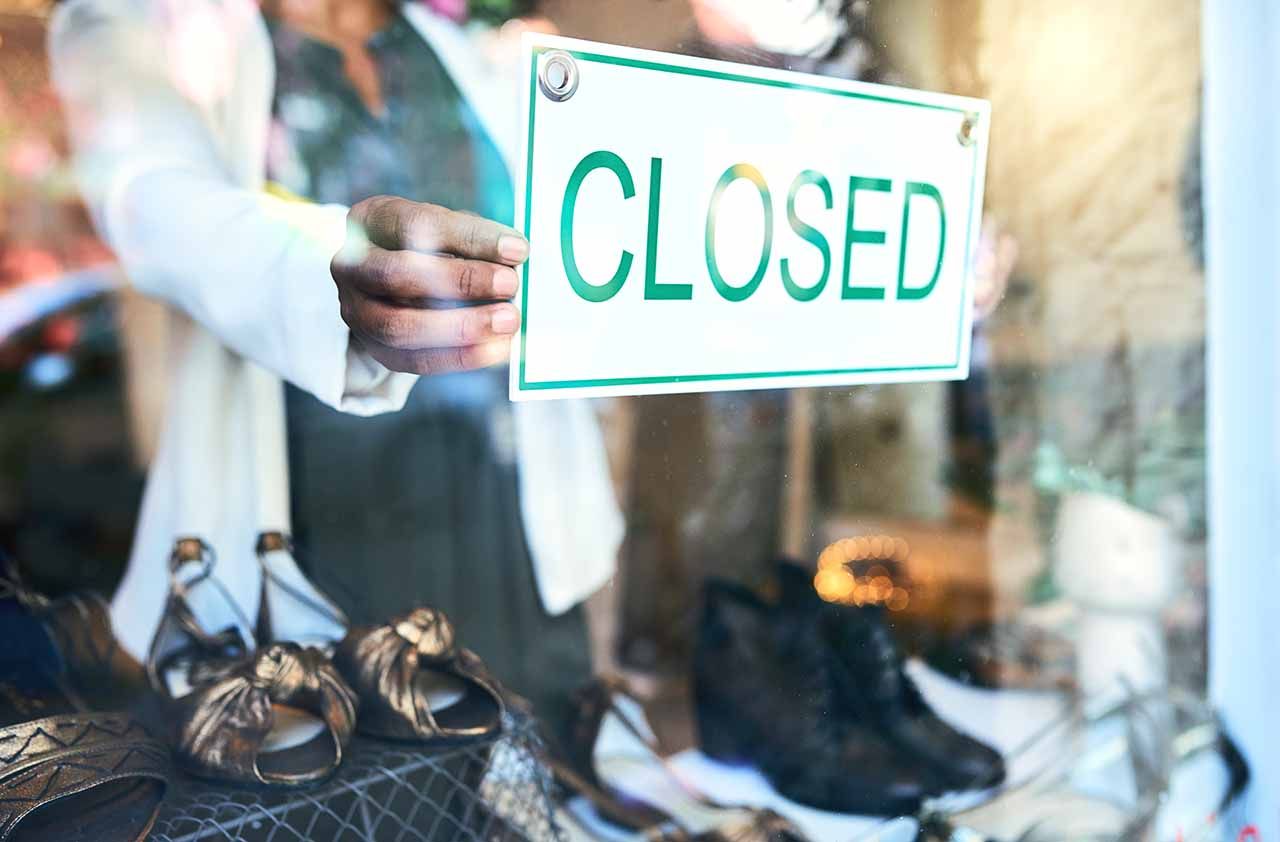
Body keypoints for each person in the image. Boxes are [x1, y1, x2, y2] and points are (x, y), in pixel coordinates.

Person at [50, 0, 623, 726]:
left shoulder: (470, 54)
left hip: (505, 507)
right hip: (314, 522)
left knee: (531, 779)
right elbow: (156, 203)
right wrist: (330, 264)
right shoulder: (139, 27)